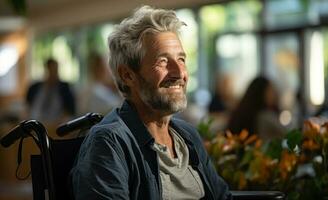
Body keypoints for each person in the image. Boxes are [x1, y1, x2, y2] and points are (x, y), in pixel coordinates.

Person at [71, 6, 231, 200]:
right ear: (128, 75)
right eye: (163, 61)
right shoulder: (108, 143)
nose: (179, 73)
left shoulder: (188, 136)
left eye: (181, 60)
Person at [226, 76, 285, 141]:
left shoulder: (242, 112)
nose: (274, 94)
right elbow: (286, 132)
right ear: (262, 92)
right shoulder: (264, 115)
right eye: (270, 91)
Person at [25, 58, 76, 131]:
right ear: (46, 70)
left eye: (55, 70)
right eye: (51, 70)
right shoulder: (34, 87)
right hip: (34, 125)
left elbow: (70, 111)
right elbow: (27, 107)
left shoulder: (65, 88)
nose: (53, 73)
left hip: (56, 126)